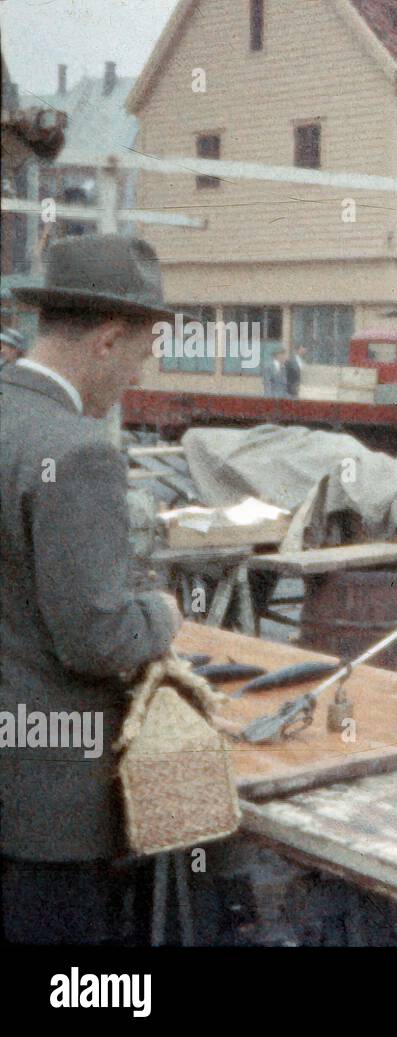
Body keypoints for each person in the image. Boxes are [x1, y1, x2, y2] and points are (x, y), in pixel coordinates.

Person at [1, 234, 184, 945]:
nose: (137, 376)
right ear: (108, 340)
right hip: (50, 820)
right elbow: (96, 638)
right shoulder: (78, 451)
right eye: (141, 354)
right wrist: (160, 614)